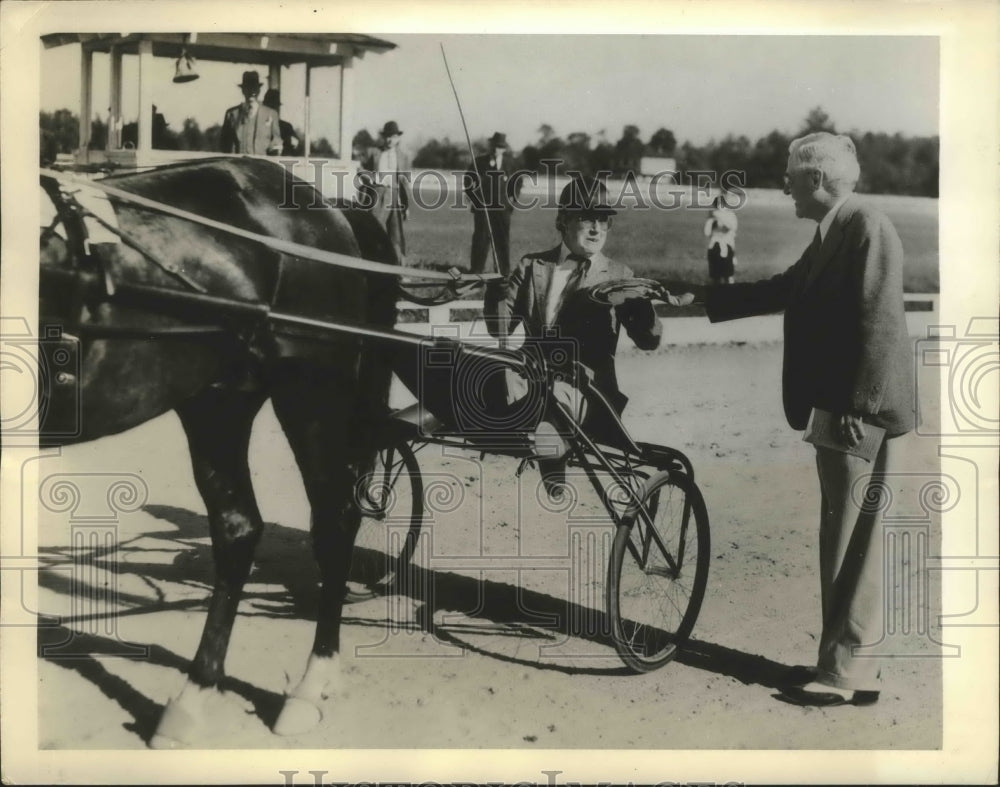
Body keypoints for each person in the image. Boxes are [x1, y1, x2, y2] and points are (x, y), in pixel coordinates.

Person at [705, 132, 915, 707]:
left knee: (852, 540)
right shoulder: (837, 229)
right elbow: (787, 289)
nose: (785, 187)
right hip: (840, 405)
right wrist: (702, 301)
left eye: (790, 178)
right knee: (843, 537)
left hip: (856, 410)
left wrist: (857, 407)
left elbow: (879, 323)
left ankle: (844, 674)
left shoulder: (866, 227)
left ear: (817, 180)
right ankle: (848, 667)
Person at [484, 176, 664, 497]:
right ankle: (524, 428)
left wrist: (644, 312)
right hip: (530, 377)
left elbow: (648, 341)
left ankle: (550, 444)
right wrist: (494, 294)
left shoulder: (620, 276)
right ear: (562, 221)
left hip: (586, 389)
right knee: (488, 370)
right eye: (586, 218)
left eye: (603, 220)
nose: (596, 228)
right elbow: (499, 330)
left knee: (553, 398)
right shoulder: (532, 266)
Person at [465, 132, 524, 275]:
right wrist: (476, 201)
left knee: (502, 240)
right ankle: (476, 272)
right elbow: (468, 182)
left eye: (500, 147)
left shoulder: (511, 163)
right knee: (480, 240)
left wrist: (511, 199)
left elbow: (518, 182)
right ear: (490, 145)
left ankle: (503, 273)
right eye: (495, 146)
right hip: (483, 208)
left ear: (504, 149)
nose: (496, 149)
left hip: (503, 209)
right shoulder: (479, 162)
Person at [373, 121, 412, 263]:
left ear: (398, 138)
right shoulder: (375, 153)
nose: (390, 140)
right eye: (388, 136)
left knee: (396, 235)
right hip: (378, 195)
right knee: (373, 230)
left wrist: (406, 206)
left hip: (395, 196)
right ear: (384, 137)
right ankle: (371, 266)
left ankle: (399, 272)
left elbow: (405, 182)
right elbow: (360, 170)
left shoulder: (403, 156)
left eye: (394, 136)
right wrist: (373, 179)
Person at [220, 71, 282, 155]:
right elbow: (223, 143)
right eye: (248, 88)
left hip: (260, 165)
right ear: (243, 90)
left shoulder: (271, 114)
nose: (252, 92)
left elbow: (276, 140)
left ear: (259, 90)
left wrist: (275, 147)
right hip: (235, 164)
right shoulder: (231, 114)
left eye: (254, 88)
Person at [704, 194, 738, 284]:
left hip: (727, 246)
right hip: (715, 247)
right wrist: (712, 220)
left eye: (722, 204)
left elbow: (731, 229)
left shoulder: (730, 215)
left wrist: (720, 217)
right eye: (718, 204)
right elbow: (707, 232)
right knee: (716, 277)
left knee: (728, 276)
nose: (720, 206)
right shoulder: (712, 217)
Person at [261, 89, 301, 156]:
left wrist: (295, 144)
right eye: (270, 107)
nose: (272, 111)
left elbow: (299, 149)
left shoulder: (286, 127)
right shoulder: (258, 125)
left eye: (275, 107)